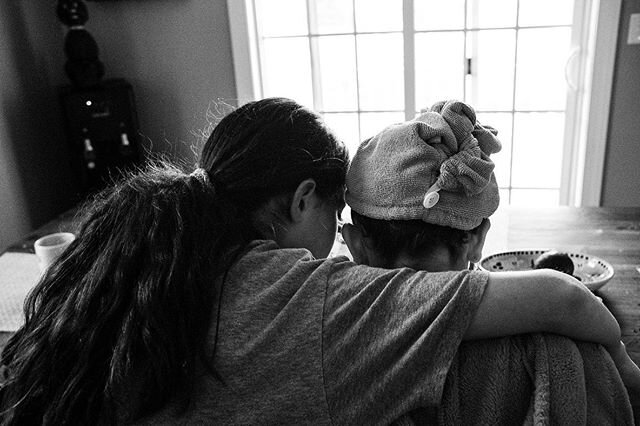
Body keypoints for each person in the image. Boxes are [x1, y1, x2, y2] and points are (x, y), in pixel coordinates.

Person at [0, 97, 635, 425]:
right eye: (333, 216)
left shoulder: (155, 254)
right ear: (303, 199)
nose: (336, 240)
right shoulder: (308, 300)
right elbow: (561, 296)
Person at [341, 99, 640, 423]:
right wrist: (622, 360)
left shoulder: (337, 330)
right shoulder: (560, 352)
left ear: (355, 242)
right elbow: (568, 298)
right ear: (479, 239)